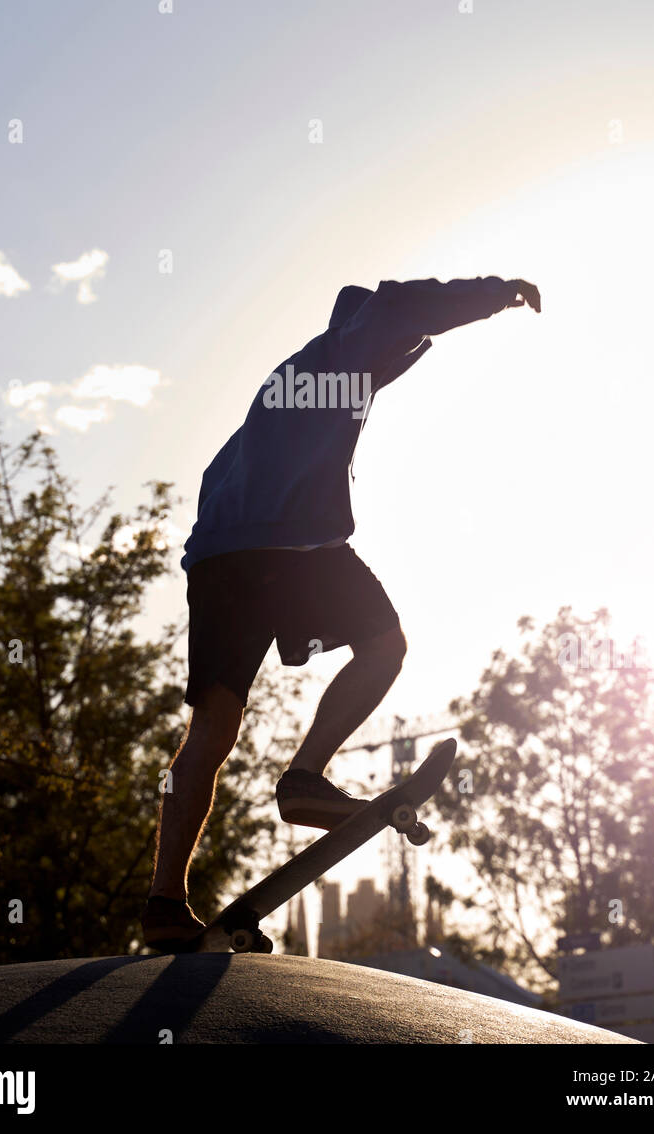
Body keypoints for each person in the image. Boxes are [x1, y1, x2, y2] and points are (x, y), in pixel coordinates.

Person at [142, 274, 541, 950]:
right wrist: (495, 291)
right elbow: (401, 304)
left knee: (211, 727)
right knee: (385, 646)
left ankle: (163, 903)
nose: (399, 358)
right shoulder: (346, 346)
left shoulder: (288, 384)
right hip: (290, 544)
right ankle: (303, 778)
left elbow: (224, 480)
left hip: (218, 555)